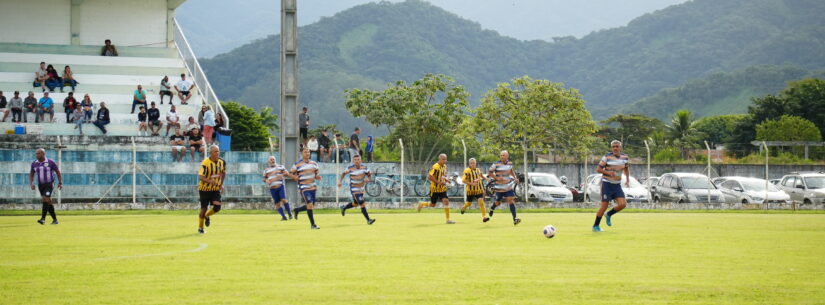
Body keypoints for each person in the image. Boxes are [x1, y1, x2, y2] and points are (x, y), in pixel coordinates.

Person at [593, 140, 630, 232]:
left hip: (617, 185)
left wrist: (628, 180)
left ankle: (609, 214)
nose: (615, 148)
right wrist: (608, 172)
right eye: (613, 146)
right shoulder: (607, 157)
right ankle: (595, 226)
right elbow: (598, 169)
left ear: (620, 148)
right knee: (604, 206)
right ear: (611, 148)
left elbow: (626, 169)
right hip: (606, 184)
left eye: (617, 146)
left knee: (622, 204)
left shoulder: (625, 157)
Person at [337, 154, 376, 225]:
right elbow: (343, 173)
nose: (357, 161)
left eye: (358, 159)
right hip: (354, 189)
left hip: (361, 189)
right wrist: (340, 182)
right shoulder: (350, 168)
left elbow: (369, 174)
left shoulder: (365, 167)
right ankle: (368, 220)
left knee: (356, 204)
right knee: (362, 203)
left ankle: (344, 207)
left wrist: (368, 178)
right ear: (353, 161)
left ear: (361, 160)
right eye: (355, 160)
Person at [416, 154, 455, 224]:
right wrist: (438, 182)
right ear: (439, 159)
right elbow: (429, 177)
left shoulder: (445, 167)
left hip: (442, 189)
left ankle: (448, 220)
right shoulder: (435, 167)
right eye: (443, 159)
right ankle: (422, 204)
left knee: (446, 201)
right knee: (432, 204)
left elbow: (442, 176)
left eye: (445, 159)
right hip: (434, 189)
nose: (444, 161)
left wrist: (446, 180)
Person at [197, 145, 226, 234]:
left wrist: (221, 184)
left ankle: (207, 216)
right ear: (211, 153)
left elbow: (223, 173)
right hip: (204, 189)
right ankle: (200, 228)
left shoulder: (222, 162)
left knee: (217, 207)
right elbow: (201, 177)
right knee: (204, 208)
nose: (217, 153)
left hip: (215, 189)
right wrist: (210, 181)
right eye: (215, 151)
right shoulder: (205, 163)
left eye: (218, 151)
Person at [487, 150, 521, 225]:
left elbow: (511, 170)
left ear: (507, 156)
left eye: (503, 155)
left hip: (508, 186)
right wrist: (496, 178)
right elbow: (489, 172)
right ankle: (492, 208)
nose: (502, 157)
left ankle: (515, 218)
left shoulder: (510, 163)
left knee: (510, 200)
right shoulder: (496, 164)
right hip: (499, 187)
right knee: (498, 203)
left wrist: (515, 178)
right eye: (501, 155)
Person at [30, 148, 63, 225]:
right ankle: (55, 220)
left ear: (43, 154)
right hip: (41, 185)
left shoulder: (50, 162)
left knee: (45, 199)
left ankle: (43, 219)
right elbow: (31, 173)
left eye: (38, 153)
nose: (36, 155)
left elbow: (58, 172)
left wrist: (60, 182)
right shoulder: (34, 163)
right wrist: (31, 183)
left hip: (49, 184)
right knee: (48, 201)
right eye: (36, 153)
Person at [290, 148, 321, 229]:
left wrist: (317, 176)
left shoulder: (314, 163)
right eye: (305, 152)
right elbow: (290, 173)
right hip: (304, 187)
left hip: (313, 187)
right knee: (310, 204)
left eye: (308, 152)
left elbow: (317, 173)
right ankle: (313, 225)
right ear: (302, 153)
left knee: (311, 205)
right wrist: (294, 177)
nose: (307, 153)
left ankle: (297, 210)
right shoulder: (297, 164)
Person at [263, 156, 294, 221]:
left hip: (280, 186)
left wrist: (282, 175)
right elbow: (264, 178)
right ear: (269, 161)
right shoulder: (266, 170)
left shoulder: (281, 166)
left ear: (275, 160)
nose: (272, 160)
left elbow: (287, 173)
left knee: (283, 199)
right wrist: (266, 180)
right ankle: (283, 217)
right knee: (277, 204)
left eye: (273, 159)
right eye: (271, 159)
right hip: (272, 188)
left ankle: (290, 214)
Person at [460, 158, 490, 223]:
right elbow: (463, 180)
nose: (473, 164)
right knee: (469, 203)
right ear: (469, 164)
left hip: (479, 190)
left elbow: (481, 175)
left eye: (474, 163)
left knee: (481, 202)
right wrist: (472, 184)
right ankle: (464, 208)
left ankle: (484, 217)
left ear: (475, 163)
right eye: (471, 163)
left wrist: (486, 178)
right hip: (470, 190)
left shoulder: (478, 170)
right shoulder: (467, 171)